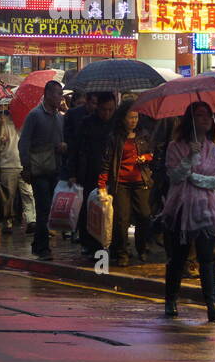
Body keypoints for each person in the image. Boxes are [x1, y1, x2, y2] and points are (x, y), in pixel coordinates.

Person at [162, 101, 215, 320]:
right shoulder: (175, 147)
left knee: (206, 257)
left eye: (208, 115)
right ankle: (171, 299)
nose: (205, 119)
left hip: (206, 209)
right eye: (200, 115)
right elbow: (175, 176)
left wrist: (195, 178)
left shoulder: (213, 149)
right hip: (180, 209)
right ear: (190, 119)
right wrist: (189, 157)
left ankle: (212, 302)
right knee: (178, 258)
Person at [98, 100, 154, 265]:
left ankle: (142, 248)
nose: (133, 121)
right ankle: (122, 253)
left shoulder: (143, 135)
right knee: (122, 219)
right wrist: (102, 185)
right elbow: (107, 162)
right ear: (123, 118)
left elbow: (152, 153)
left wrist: (145, 157)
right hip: (120, 183)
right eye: (130, 117)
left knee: (144, 215)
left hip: (140, 180)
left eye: (136, 117)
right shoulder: (115, 137)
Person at [19, 80, 66, 260]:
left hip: (56, 169)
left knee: (50, 209)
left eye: (61, 94)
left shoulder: (60, 118)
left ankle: (38, 243)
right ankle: (42, 247)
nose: (60, 98)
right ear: (47, 94)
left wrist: (64, 146)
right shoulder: (35, 115)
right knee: (43, 208)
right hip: (40, 170)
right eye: (58, 94)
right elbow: (24, 142)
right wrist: (26, 167)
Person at [69, 91, 117, 255]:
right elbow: (76, 149)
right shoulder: (87, 123)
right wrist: (73, 172)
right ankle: (90, 244)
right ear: (98, 107)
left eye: (111, 110)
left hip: (111, 173)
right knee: (90, 209)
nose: (107, 114)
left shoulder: (117, 124)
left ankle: (110, 243)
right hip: (90, 172)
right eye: (104, 109)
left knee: (110, 210)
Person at [0, 102, 23, 232]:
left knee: (28, 195)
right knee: (9, 196)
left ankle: (31, 220)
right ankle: (7, 222)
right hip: (7, 164)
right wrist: (1, 125)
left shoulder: (23, 122)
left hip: (22, 164)